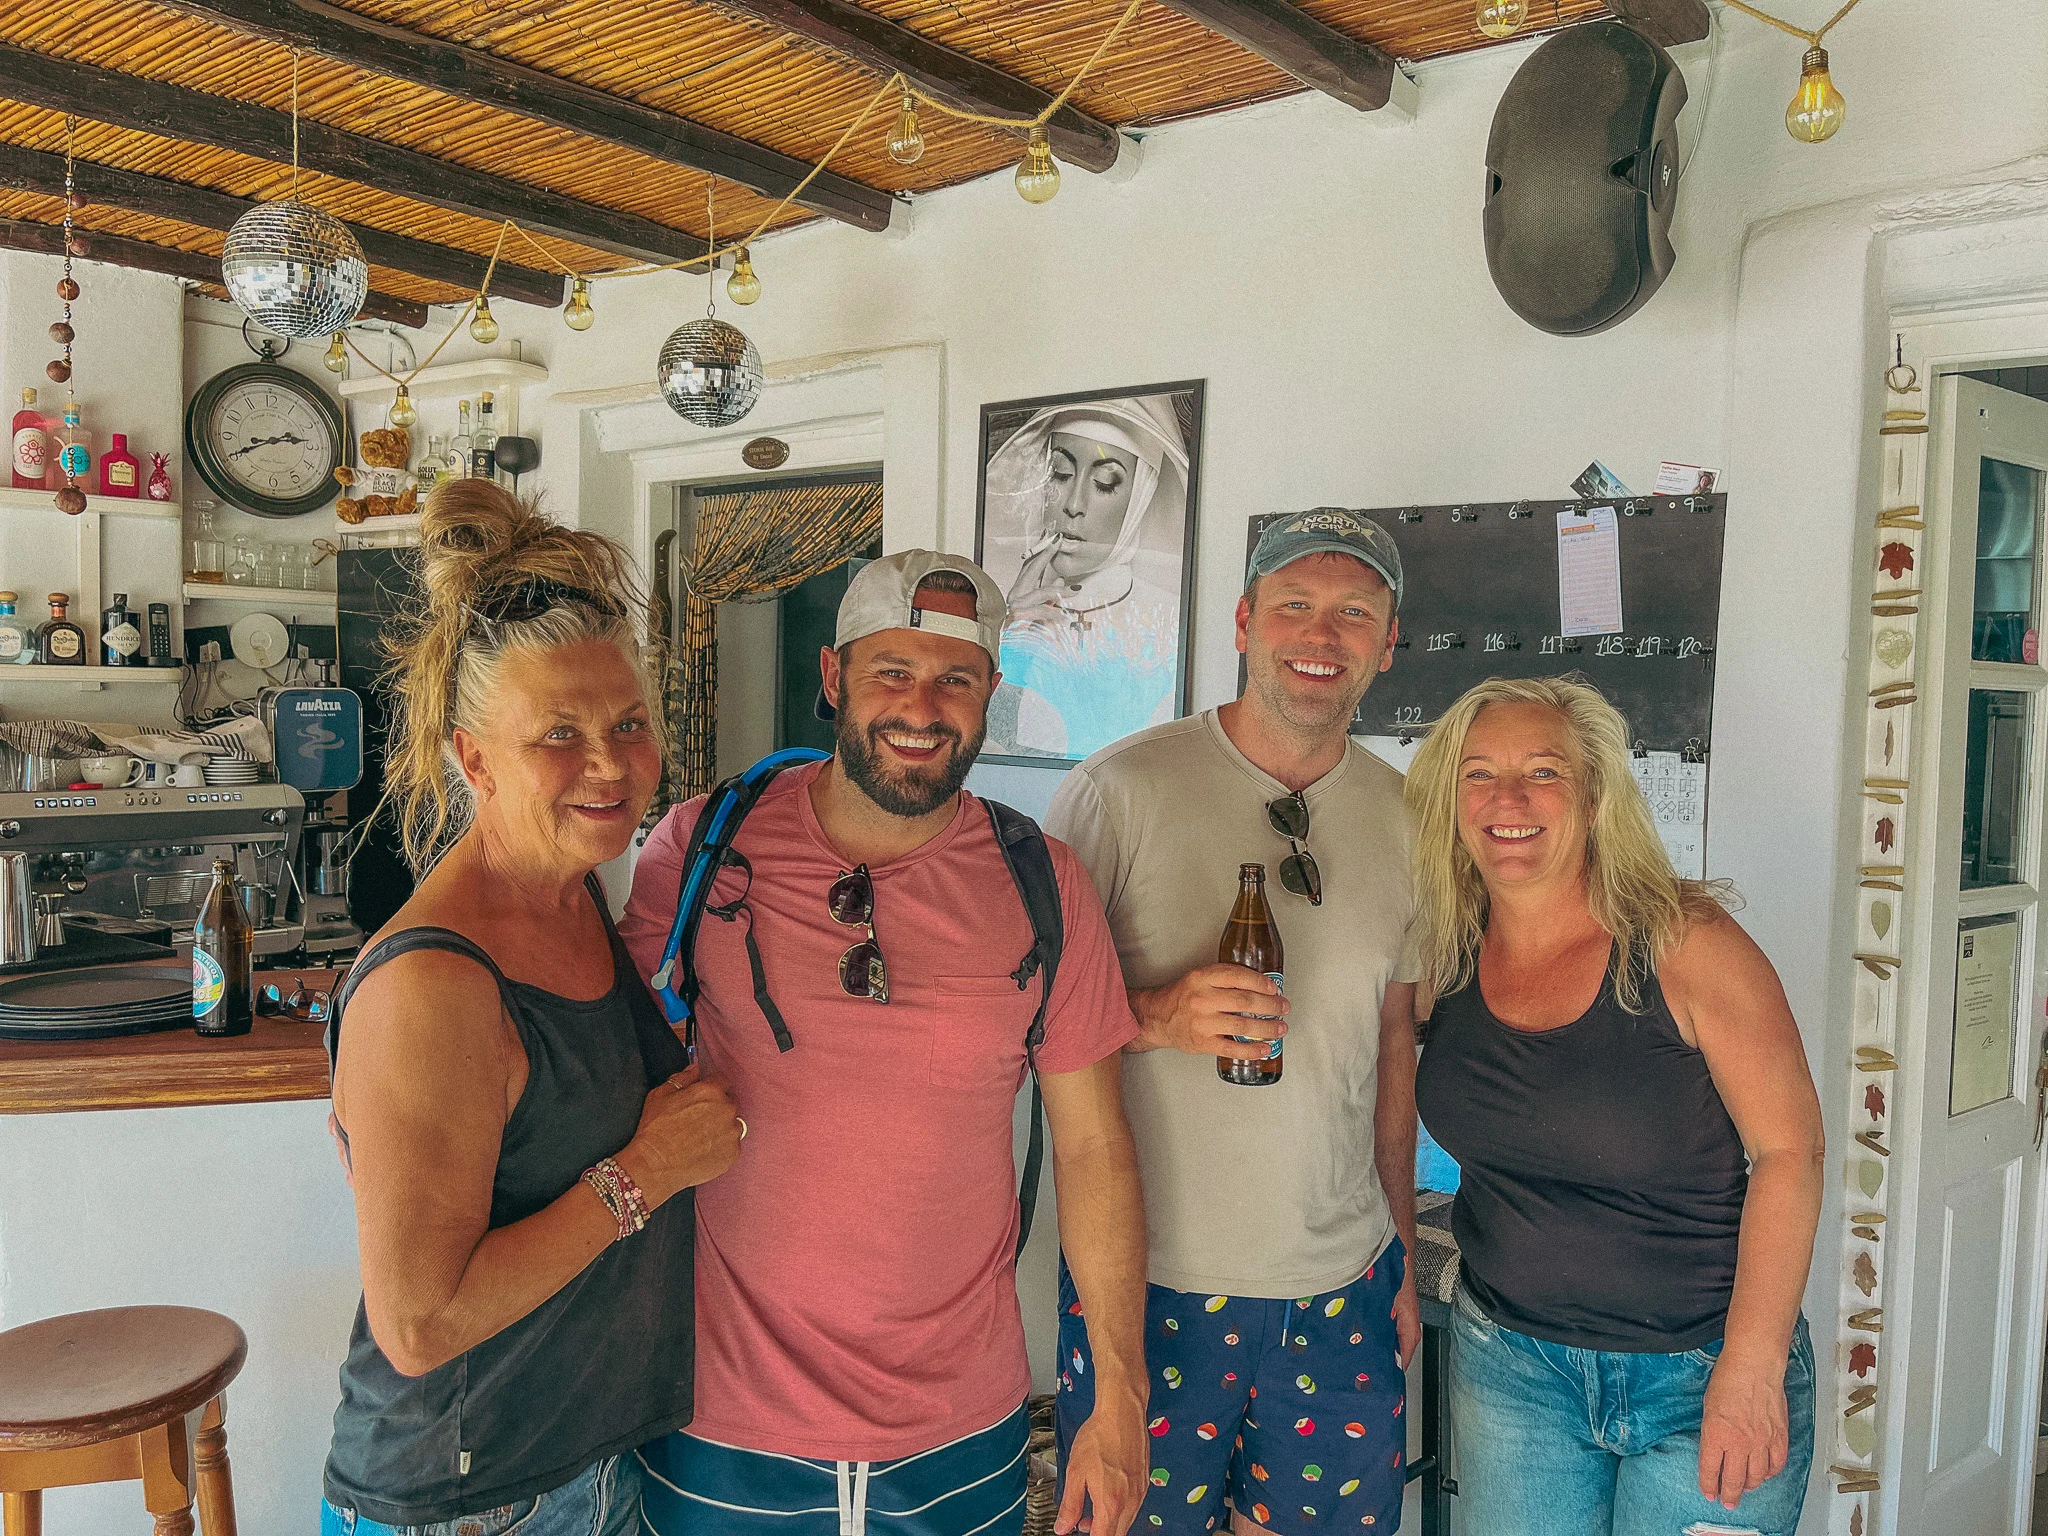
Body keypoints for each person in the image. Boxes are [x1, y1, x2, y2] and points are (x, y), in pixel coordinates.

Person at [621, 550, 1150, 1536]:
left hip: (959, 1429)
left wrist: (1114, 1395)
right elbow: (598, 1075)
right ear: (832, 678)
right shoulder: (696, 851)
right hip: (718, 1422)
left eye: (956, 679)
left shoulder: (1045, 881)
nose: (922, 706)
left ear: (990, 692)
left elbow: (1092, 1148)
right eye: (890, 673)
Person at [321, 480, 742, 1536]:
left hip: (588, 1466)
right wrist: (646, 1170)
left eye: (628, 723)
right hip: (470, 1501)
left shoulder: (578, 895)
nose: (609, 764)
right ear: (475, 761)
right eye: (558, 733)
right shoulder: (434, 983)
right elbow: (419, 1323)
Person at [1046, 507, 1421, 1536]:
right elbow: (1019, 1015)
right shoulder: (1118, 789)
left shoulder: (1412, 819)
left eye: (1354, 612)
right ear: (1245, 623)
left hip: (1338, 1289)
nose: (1321, 634)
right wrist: (1155, 1016)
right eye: (1294, 605)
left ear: (1387, 644)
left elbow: (1391, 1047)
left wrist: (1391, 1245)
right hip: (1146, 1288)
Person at [1408, 676, 1824, 1536]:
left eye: (1544, 773)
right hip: (1512, 1371)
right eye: (1479, 774)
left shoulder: (1686, 943)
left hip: (1700, 1372)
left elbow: (1792, 1154)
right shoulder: (1441, 950)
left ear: (1596, 798)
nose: (1509, 799)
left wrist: (1751, 1369)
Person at [980, 396, 1191, 759]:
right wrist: (1008, 632)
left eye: (1105, 483)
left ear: (1140, 496)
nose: (1073, 504)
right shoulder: (995, 607)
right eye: (1060, 474)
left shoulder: (1169, 617)